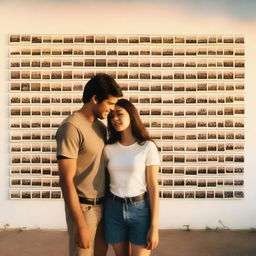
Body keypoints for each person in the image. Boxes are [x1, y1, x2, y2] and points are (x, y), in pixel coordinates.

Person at [56, 74, 123, 256]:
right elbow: (65, 180)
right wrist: (80, 224)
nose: (112, 108)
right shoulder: (71, 127)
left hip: (104, 205)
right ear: (94, 99)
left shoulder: (100, 127)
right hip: (84, 209)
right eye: (109, 103)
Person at [103, 99, 160, 256]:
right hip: (113, 209)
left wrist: (154, 226)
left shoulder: (148, 147)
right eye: (111, 116)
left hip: (140, 209)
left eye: (119, 114)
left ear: (132, 115)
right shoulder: (108, 149)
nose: (115, 118)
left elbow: (153, 187)